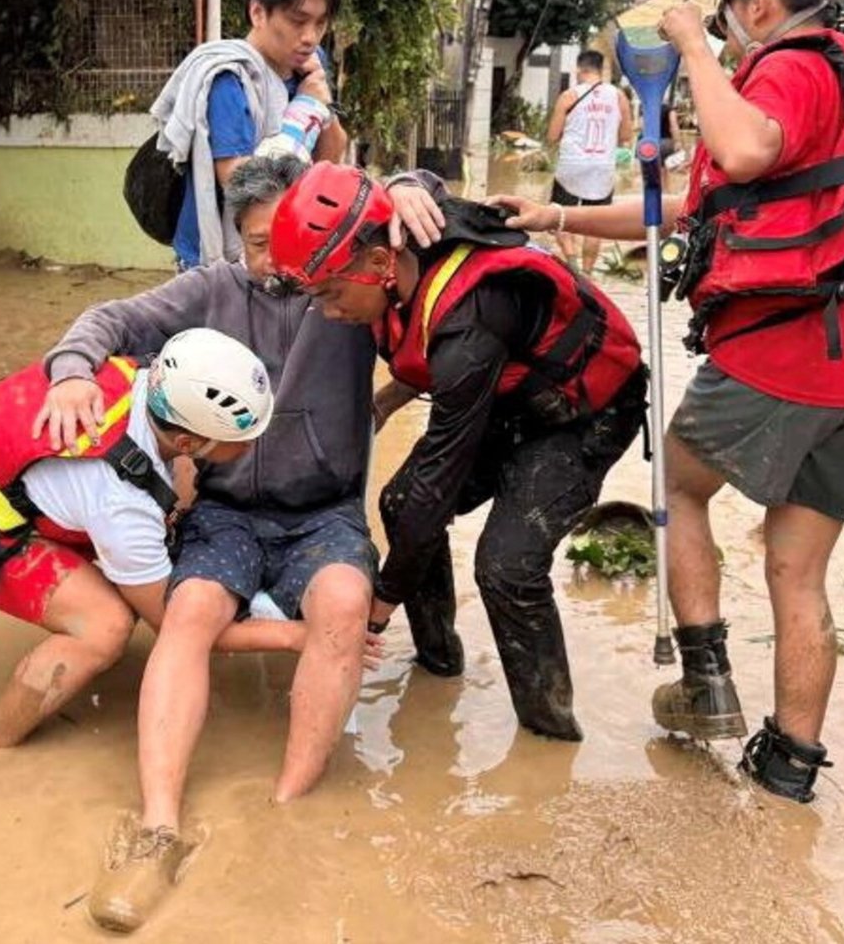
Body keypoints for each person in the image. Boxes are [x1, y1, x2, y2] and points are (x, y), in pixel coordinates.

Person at [490, 0, 844, 802]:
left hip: (791, 349)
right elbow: (682, 214)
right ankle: (788, 769)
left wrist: (691, 42)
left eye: (729, 15)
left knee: (679, 482)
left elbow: (742, 150)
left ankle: (705, 680)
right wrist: (556, 219)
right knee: (797, 568)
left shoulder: (795, 68)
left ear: (759, 1)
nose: (726, 32)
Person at [37, 155, 445, 933]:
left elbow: (417, 228)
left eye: (281, 241)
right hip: (224, 513)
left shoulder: (342, 287)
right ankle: (158, 824)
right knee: (187, 610)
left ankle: (286, 814)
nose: (273, 263)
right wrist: (71, 372)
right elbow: (111, 320)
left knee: (344, 602)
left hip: (325, 511)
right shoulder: (210, 291)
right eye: (255, 244)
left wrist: (410, 189)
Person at [267, 162, 648, 744]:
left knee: (506, 566)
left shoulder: (473, 315)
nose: (329, 312)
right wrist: (393, 397)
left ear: (377, 265)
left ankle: (548, 739)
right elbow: (422, 193)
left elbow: (439, 481)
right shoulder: (404, 239)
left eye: (332, 294)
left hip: (583, 413)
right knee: (397, 504)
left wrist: (381, 603)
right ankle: (438, 664)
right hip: (510, 396)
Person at [0, 327, 295, 750]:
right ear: (186, 439)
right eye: (242, 441)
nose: (253, 447)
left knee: (182, 490)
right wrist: (294, 635)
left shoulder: (144, 375)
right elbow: (176, 626)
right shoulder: (120, 503)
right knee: (105, 626)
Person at [151, 0, 350, 269]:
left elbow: (329, 159)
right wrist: (304, 112)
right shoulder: (230, 79)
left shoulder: (310, 64)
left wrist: (320, 106)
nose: (310, 37)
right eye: (298, 21)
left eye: (320, 22)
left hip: (286, 248)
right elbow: (243, 185)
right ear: (258, 12)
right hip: (221, 262)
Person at [544, 49, 633, 274]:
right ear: (601, 69)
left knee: (561, 217)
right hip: (602, 167)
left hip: (571, 166)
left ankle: (572, 262)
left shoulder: (569, 96)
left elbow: (553, 136)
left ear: (579, 69)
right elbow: (626, 136)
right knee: (595, 224)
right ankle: (588, 274)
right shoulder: (618, 96)